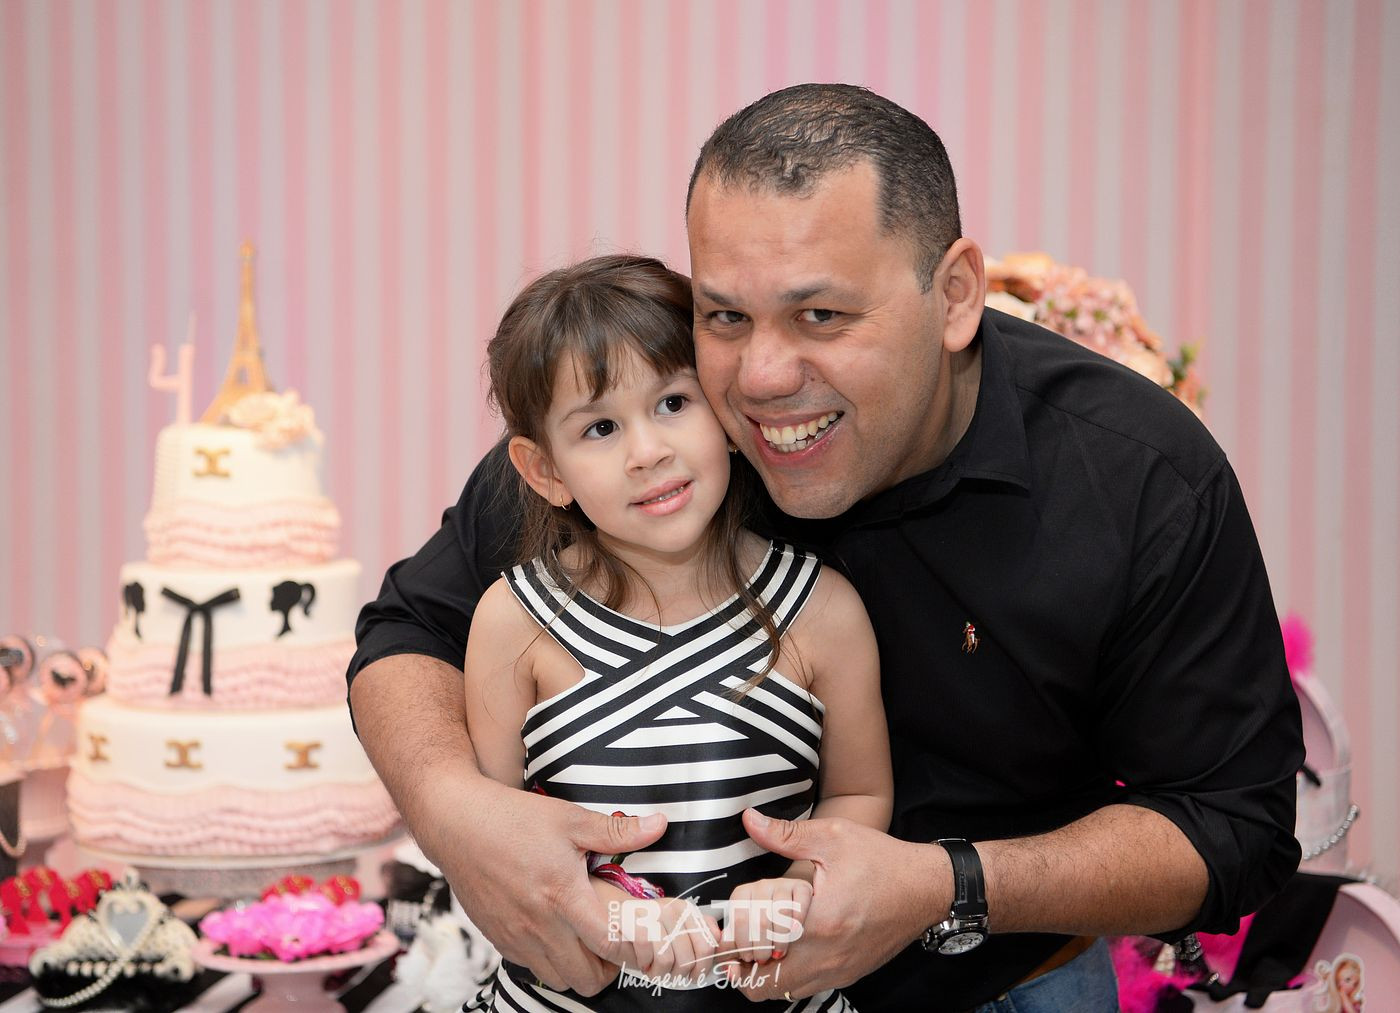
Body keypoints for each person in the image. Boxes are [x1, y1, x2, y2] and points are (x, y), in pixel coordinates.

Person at [349, 84, 1303, 1012]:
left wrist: (951, 884)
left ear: (954, 295)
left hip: (1005, 986)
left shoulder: (1136, 478)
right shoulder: (656, 438)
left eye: (822, 316)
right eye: (726, 315)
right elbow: (411, 629)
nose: (761, 377)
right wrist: (455, 809)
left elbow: (1232, 824)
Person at [460, 254, 890, 1010]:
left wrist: (796, 885)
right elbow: (494, 838)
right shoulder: (514, 622)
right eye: (600, 427)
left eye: (671, 403)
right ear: (544, 469)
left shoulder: (822, 609)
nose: (648, 451)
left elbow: (859, 791)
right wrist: (600, 908)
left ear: (727, 412)